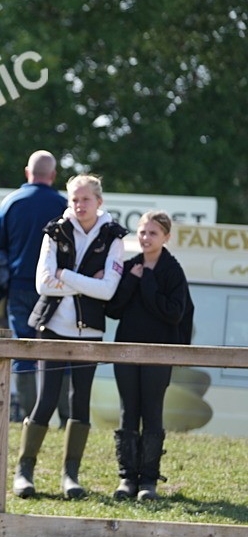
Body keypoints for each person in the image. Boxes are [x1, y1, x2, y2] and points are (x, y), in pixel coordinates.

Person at [13, 174, 126, 499]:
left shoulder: (114, 236)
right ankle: (24, 472)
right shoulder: (55, 231)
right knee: (46, 400)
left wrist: (65, 275)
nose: (79, 205)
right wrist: (86, 281)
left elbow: (108, 291)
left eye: (85, 199)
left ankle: (70, 476)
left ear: (99, 201)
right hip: (52, 328)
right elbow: (43, 284)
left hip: (90, 332)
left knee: (80, 402)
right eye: (74, 199)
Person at [105, 211, 194, 502]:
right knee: (127, 411)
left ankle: (148, 481)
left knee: (152, 412)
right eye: (142, 232)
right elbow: (113, 310)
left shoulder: (172, 271)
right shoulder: (131, 266)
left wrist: (148, 281)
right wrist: (132, 280)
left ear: (166, 237)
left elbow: (174, 313)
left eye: (153, 233)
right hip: (126, 351)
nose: (146, 238)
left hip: (159, 353)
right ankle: (127, 478)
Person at [0, 151, 68, 419]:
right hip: (56, 287)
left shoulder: (11, 202)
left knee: (23, 350)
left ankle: (30, 417)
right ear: (53, 175)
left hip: (19, 286)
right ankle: (65, 417)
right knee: (59, 350)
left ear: (27, 172)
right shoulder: (64, 206)